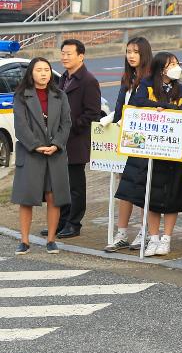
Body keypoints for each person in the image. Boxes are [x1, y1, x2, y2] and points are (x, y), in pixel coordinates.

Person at [114, 52, 182, 256]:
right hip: (152, 152)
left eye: (177, 64)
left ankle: (166, 238)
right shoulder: (147, 85)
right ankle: (153, 238)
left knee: (172, 198)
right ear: (161, 68)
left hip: (174, 151)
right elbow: (139, 103)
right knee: (150, 197)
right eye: (171, 64)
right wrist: (164, 108)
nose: (176, 67)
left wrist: (167, 109)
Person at [10, 58, 72, 255]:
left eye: (47, 69)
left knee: (53, 197)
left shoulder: (59, 95)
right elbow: (20, 126)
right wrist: (36, 146)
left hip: (55, 153)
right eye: (39, 70)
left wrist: (56, 144)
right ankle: (24, 241)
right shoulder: (21, 95)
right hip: (31, 154)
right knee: (26, 198)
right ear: (31, 73)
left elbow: (66, 123)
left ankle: (51, 240)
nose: (44, 73)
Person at [103, 37, 153, 252]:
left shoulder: (151, 79)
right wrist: (112, 119)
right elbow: (121, 107)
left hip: (143, 142)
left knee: (143, 187)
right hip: (123, 141)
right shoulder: (127, 78)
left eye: (136, 52)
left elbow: (148, 108)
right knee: (123, 186)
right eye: (128, 51)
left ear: (144, 54)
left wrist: (129, 118)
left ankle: (146, 231)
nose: (131, 56)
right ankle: (121, 232)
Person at [49, 39, 102, 239]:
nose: (64, 57)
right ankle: (62, 221)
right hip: (60, 141)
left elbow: (92, 114)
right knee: (61, 184)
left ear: (81, 56)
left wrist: (71, 128)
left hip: (76, 141)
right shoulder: (63, 78)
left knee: (76, 186)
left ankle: (74, 223)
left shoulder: (89, 80)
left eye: (69, 53)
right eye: (63, 53)